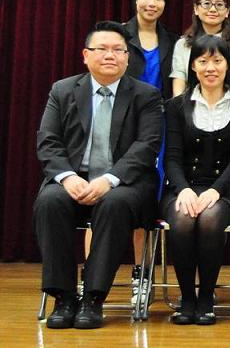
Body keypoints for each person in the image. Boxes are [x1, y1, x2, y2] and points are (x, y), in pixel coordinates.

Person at [34, 21, 163, 330]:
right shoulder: (63, 90)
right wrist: (68, 177)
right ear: (85, 55)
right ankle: (63, 297)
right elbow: (48, 141)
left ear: (127, 57)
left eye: (118, 50)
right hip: (75, 178)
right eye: (102, 49)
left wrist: (108, 180)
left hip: (125, 183)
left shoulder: (146, 95)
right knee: (50, 201)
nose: (110, 55)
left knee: (114, 204)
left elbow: (146, 146)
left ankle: (93, 297)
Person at [162, 35, 230, 324]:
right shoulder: (176, 106)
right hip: (183, 187)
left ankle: (206, 297)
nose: (210, 68)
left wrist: (216, 191)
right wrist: (183, 190)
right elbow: (172, 158)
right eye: (203, 61)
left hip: (227, 190)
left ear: (227, 65)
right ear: (193, 66)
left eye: (217, 60)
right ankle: (186, 299)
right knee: (183, 218)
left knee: (209, 217)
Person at [121, 0, 178, 305]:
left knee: (149, 199)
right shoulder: (118, 36)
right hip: (124, 127)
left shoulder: (174, 41)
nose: (152, 3)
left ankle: (142, 272)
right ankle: (92, 276)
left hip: (162, 128)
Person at [171, 0, 230, 96]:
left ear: (227, 11)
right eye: (206, 4)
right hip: (190, 103)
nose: (213, 9)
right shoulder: (183, 44)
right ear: (196, 9)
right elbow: (179, 78)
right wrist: (180, 104)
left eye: (219, 4)